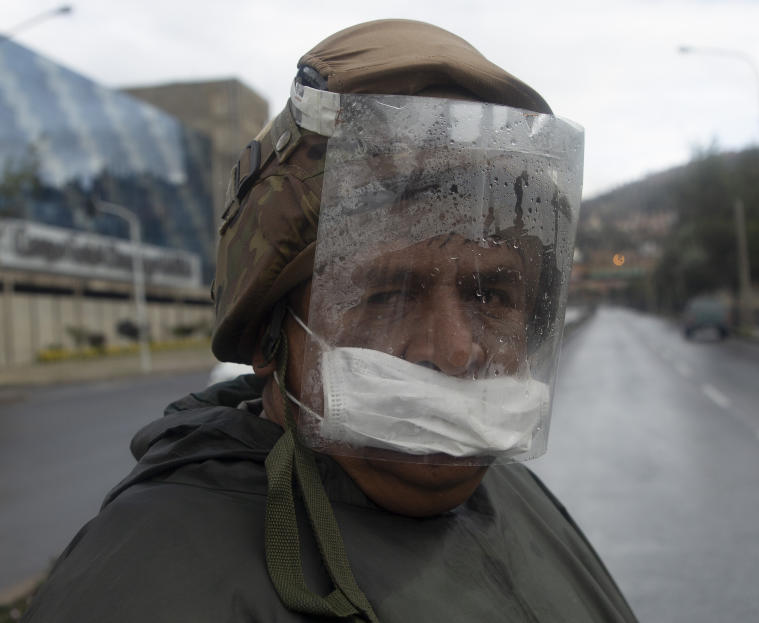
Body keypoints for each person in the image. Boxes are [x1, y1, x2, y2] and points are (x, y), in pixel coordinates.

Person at [24, 20, 637, 622]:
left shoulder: (508, 495)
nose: (454, 352)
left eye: (492, 295)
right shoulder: (146, 583)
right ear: (270, 334)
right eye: (386, 294)